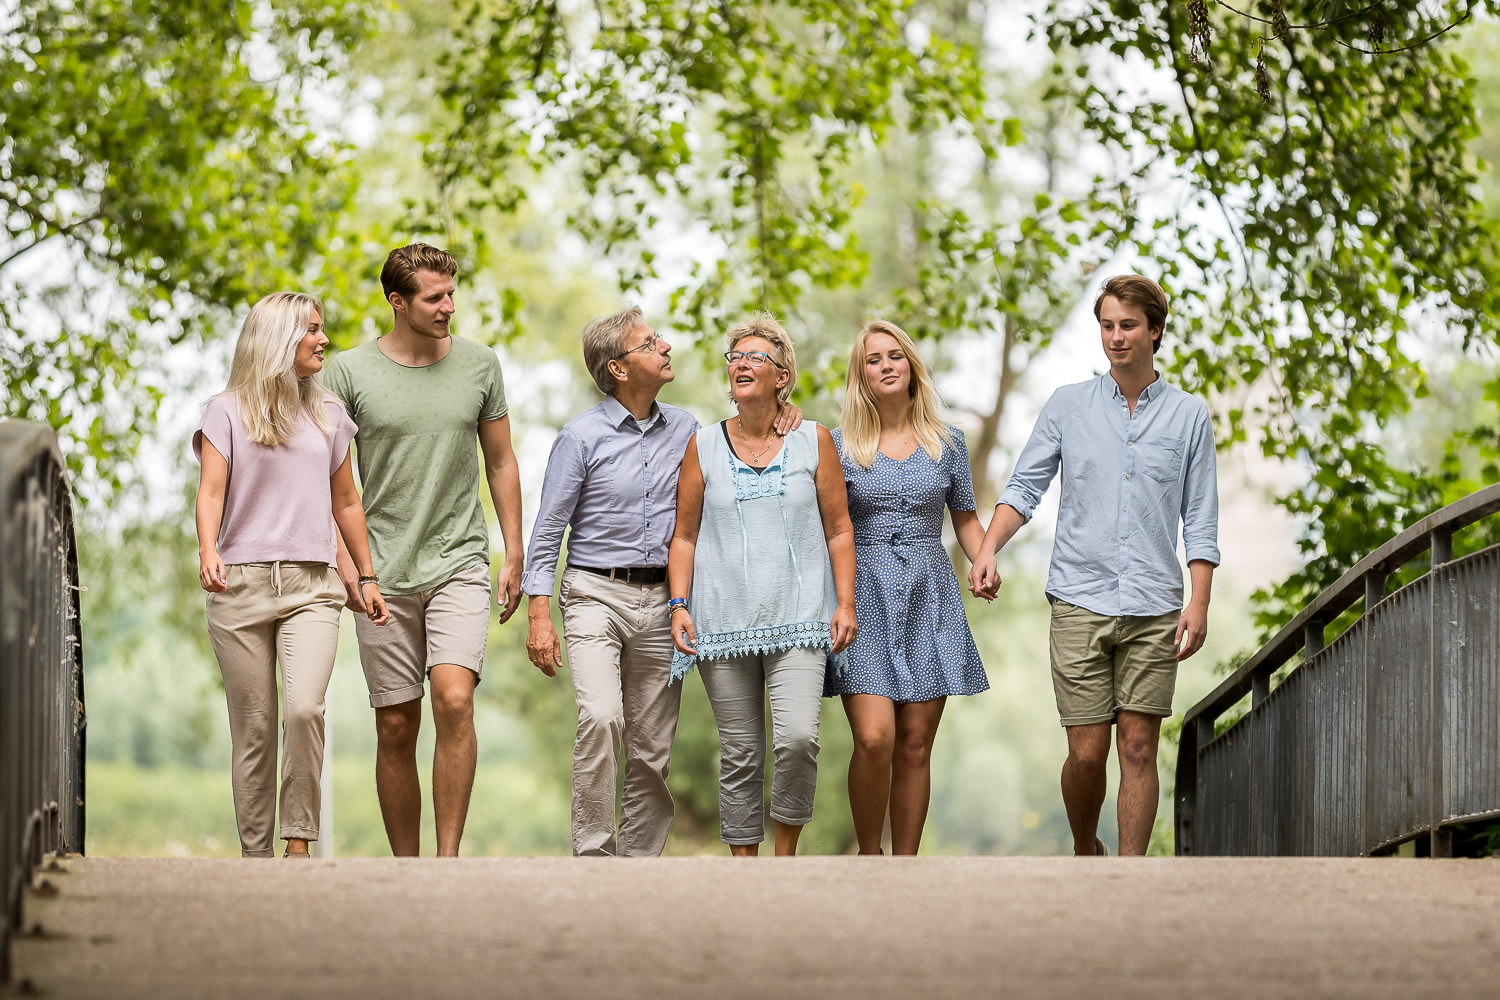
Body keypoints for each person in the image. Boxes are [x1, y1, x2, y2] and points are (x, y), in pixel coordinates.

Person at [523, 307, 803, 857]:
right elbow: (550, 524)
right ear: (620, 368)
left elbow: (734, 465)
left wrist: (783, 413)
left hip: (664, 600)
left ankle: (640, 862)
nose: (666, 346)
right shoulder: (580, 437)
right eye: (650, 343)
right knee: (601, 716)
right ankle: (595, 854)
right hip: (593, 593)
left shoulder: (688, 431)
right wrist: (539, 613)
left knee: (652, 746)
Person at [968, 274, 1219, 857]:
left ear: (1155, 331)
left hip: (1155, 605)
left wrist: (1198, 600)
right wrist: (987, 550)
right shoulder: (1068, 406)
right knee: (1087, 751)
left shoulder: (1189, 418)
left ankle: (1129, 880)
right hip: (1079, 597)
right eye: (1107, 326)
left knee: (1137, 748)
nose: (1115, 337)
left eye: (1128, 326)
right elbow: (1025, 488)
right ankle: (1087, 846)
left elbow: (1201, 517)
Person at [323, 243, 525, 857]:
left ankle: (447, 862)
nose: (448, 307)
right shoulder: (348, 374)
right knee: (395, 722)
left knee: (454, 698)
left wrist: (513, 550)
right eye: (434, 297)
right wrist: (349, 568)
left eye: (451, 294)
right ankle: (406, 869)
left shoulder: (480, 365)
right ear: (397, 302)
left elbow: (501, 460)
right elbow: (329, 479)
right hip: (379, 567)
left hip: (459, 558)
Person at [194, 291, 390, 859]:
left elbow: (346, 501)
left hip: (313, 586)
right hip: (239, 585)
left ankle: (298, 844)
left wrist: (367, 576)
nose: (323, 339)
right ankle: (256, 858)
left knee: (305, 709)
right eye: (312, 329)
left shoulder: (328, 413)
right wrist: (208, 548)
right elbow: (210, 492)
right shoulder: (224, 410)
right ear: (280, 338)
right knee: (254, 729)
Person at [668, 312, 857, 857]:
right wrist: (679, 604)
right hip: (721, 621)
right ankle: (745, 867)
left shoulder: (814, 440)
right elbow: (684, 536)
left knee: (798, 740)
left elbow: (840, 528)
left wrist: (844, 603)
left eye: (756, 358)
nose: (741, 365)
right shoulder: (702, 445)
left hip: (801, 616)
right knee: (741, 751)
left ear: (781, 377)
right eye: (735, 358)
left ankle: (783, 859)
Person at [828, 320, 989, 856]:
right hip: (864, 593)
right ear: (862, 376)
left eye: (895, 356)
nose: (886, 365)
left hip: (929, 592)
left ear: (912, 366)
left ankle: (905, 866)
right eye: (873, 360)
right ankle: (869, 856)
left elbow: (964, 518)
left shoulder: (948, 442)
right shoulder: (837, 444)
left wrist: (983, 558)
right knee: (875, 739)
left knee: (915, 745)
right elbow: (827, 525)